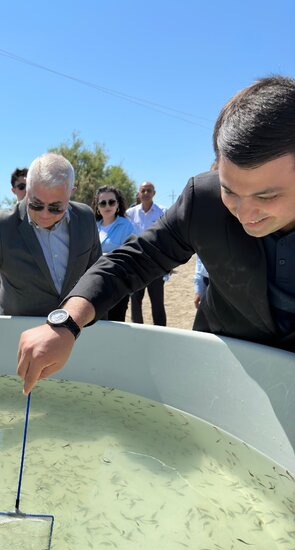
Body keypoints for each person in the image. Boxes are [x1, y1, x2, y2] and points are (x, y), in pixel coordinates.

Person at [17, 75, 295, 394]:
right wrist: (66, 323)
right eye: (229, 191)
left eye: (266, 196)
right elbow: (133, 261)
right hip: (222, 376)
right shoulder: (203, 199)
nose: (244, 214)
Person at [0, 152, 102, 373]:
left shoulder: (85, 217)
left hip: (75, 334)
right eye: (36, 204)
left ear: (71, 192)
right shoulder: (2, 225)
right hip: (20, 338)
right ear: (27, 188)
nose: (45, 214)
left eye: (56, 207)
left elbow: (96, 275)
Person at [93, 185, 137, 321]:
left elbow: (133, 253)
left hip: (118, 284)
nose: (107, 206)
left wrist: (106, 257)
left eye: (111, 202)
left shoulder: (127, 226)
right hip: (94, 283)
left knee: (116, 322)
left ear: (117, 205)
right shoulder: (93, 225)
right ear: (97, 207)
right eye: (103, 203)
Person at [126, 181, 167, 326]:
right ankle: (138, 331)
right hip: (136, 263)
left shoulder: (163, 212)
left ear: (154, 193)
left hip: (156, 264)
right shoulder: (130, 213)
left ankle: (161, 331)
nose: (146, 193)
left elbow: (167, 238)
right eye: (143, 190)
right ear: (138, 193)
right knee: (135, 301)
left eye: (149, 190)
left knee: (157, 301)